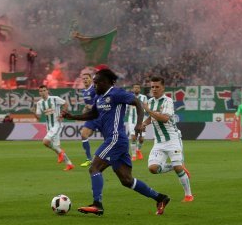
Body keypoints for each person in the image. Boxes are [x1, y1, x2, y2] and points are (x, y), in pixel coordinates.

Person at [63, 68, 170, 215]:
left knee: (94, 168)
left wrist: (139, 124)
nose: (94, 86)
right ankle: (160, 198)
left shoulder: (116, 93)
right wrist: (72, 116)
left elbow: (137, 102)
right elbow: (93, 113)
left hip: (115, 139)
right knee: (127, 180)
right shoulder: (99, 97)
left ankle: (97, 204)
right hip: (116, 141)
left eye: (96, 83)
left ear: (106, 82)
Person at [142, 76, 193, 202]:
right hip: (158, 142)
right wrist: (144, 123)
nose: (154, 89)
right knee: (153, 169)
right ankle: (175, 166)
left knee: (178, 168)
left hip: (172, 140)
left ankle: (188, 195)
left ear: (163, 88)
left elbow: (164, 118)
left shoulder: (167, 101)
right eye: (152, 87)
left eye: (157, 87)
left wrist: (148, 111)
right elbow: (152, 117)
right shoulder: (151, 102)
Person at [36, 84, 74, 171]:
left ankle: (61, 153)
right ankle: (69, 164)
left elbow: (65, 104)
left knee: (45, 142)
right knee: (57, 148)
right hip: (48, 126)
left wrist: (62, 114)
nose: (42, 92)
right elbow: (38, 117)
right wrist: (34, 114)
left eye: (44, 90)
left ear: (47, 91)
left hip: (57, 124)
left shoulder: (54, 98)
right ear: (39, 93)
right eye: (41, 91)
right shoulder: (39, 103)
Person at [78, 70, 97, 167]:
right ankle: (89, 159)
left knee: (109, 138)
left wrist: (92, 106)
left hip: (101, 116)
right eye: (83, 79)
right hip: (92, 118)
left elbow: (100, 100)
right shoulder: (84, 91)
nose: (85, 80)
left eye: (87, 78)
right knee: (83, 135)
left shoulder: (95, 89)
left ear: (91, 80)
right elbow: (88, 105)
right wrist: (85, 109)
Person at [127, 84, 146, 160]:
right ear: (133, 89)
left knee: (141, 139)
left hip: (141, 119)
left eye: (138, 87)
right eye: (135, 87)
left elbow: (146, 107)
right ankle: (134, 155)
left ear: (140, 89)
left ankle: (138, 150)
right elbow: (126, 108)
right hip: (132, 120)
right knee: (134, 138)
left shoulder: (144, 97)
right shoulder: (129, 97)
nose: (136, 89)